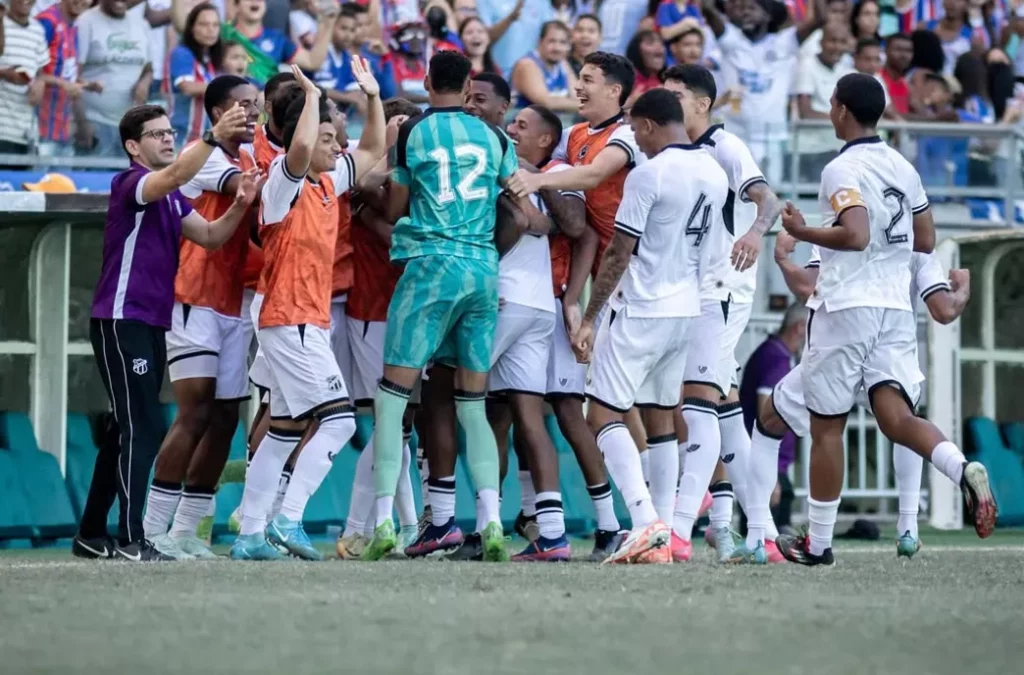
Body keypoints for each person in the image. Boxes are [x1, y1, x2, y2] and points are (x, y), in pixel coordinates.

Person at [775, 72, 996, 566]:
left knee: (826, 424)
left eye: (832, 103)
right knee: (898, 417)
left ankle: (819, 542)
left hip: (848, 305)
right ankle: (962, 469)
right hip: (895, 308)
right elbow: (924, 239)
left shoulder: (841, 168)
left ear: (842, 111)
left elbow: (854, 234)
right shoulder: (903, 165)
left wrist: (800, 228)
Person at [72, 102, 255, 562]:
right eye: (156, 134)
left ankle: (91, 533)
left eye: (170, 131)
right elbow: (174, 177)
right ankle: (135, 538)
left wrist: (240, 204)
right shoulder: (133, 182)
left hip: (151, 321)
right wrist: (212, 138)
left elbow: (211, 236)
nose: (167, 138)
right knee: (144, 425)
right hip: (122, 318)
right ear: (133, 147)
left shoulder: (169, 194)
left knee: (124, 430)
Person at [362, 50, 520, 562]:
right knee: (473, 404)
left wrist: (374, 195)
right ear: (470, 83)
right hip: (481, 270)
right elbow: (516, 205)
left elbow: (395, 206)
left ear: (426, 82)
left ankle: (384, 518)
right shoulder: (496, 137)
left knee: (392, 397)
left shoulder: (413, 133)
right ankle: (492, 521)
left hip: (430, 267)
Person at [231, 59, 386, 561]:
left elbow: (371, 150)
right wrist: (313, 96)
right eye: (327, 139)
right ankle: (288, 519)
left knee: (284, 426)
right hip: (288, 316)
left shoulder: (326, 182)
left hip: (300, 318)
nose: (336, 147)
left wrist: (373, 98)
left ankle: (250, 535)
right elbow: (299, 147)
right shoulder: (284, 180)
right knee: (339, 421)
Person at [570, 87, 729, 565]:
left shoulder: (650, 173)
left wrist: (591, 316)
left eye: (637, 129)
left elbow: (620, 252)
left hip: (642, 307)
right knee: (660, 416)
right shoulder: (714, 170)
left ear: (650, 125)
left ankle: (644, 522)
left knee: (599, 414)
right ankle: (667, 531)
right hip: (686, 308)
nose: (636, 139)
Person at [507, 51, 644, 562]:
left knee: (606, 407)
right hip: (588, 286)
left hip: (631, 280)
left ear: (615, 89)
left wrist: (575, 300)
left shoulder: (624, 137)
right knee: (566, 409)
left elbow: (584, 201)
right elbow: (583, 226)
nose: (578, 87)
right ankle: (598, 523)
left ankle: (660, 516)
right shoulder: (574, 138)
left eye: (587, 81)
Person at [759, 231, 971, 560]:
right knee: (904, 422)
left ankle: (776, 536)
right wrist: (962, 289)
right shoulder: (914, 231)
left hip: (840, 333)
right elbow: (943, 310)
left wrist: (784, 259)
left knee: (812, 426)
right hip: (891, 343)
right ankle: (930, 503)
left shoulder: (841, 223)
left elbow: (806, 287)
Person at [660, 63, 783, 563]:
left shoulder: (726, 147)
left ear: (702, 103)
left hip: (723, 290)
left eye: (677, 95)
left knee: (697, 404)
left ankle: (678, 530)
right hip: (693, 291)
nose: (669, 102)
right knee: (726, 409)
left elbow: (768, 199)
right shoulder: (677, 151)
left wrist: (756, 232)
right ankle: (765, 534)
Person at [141, 75, 261, 561]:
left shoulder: (248, 157)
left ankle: (186, 531)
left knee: (225, 416)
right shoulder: (204, 155)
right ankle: (148, 530)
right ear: (217, 113)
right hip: (194, 298)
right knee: (194, 412)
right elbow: (247, 192)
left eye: (257, 106)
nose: (253, 114)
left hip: (234, 303)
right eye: (243, 106)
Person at [464, 78, 582, 562]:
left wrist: (484, 270)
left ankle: (474, 525)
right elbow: (553, 224)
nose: (513, 128)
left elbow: (525, 223)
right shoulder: (545, 176)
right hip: (538, 307)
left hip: (505, 300)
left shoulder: (499, 161)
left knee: (450, 400)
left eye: (522, 124)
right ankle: (551, 533)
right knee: (524, 417)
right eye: (512, 122)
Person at [334, 96, 424, 560]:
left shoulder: (418, 171)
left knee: (400, 427)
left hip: (407, 311)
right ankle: (356, 529)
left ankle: (406, 527)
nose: (406, 128)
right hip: (373, 311)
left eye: (411, 122)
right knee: (390, 424)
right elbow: (395, 229)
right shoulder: (364, 173)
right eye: (397, 121)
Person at [700, 0, 826, 186]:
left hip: (772, 139)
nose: (745, 13)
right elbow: (707, 9)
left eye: (752, 8)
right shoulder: (730, 40)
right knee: (733, 194)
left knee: (770, 194)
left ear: (768, 15)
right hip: (736, 136)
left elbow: (820, 19)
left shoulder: (786, 42)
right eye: (742, 8)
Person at [737, 300, 807, 539]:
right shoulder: (776, 358)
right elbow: (766, 413)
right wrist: (772, 475)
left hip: (770, 464)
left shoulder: (776, 354)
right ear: (800, 327)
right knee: (770, 536)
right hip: (768, 465)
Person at [76, 0, 153, 157]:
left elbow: (148, 69)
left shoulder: (142, 25)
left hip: (130, 127)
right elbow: (73, 74)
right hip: (94, 123)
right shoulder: (85, 22)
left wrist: (143, 84)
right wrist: (81, 122)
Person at [36, 0, 97, 162]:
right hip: (40, 130)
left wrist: (87, 85)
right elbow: (29, 72)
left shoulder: (74, 25)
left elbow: (67, 75)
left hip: (63, 131)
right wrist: (64, 84)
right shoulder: (47, 21)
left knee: (65, 186)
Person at [795, 22, 854, 182]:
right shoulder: (807, 65)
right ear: (821, 43)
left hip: (840, 149)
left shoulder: (848, 70)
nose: (837, 47)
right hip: (812, 150)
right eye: (832, 41)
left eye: (842, 42)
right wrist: (843, 120)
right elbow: (805, 112)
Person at [230, 0, 334, 81]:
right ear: (236, 5)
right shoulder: (224, 34)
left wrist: (328, 25)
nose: (255, 1)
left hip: (267, 101)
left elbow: (311, 62)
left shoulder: (277, 38)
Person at [168, 3, 223, 146]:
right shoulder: (182, 53)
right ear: (192, 28)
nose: (211, 30)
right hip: (180, 139)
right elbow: (187, 87)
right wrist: (225, 86)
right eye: (204, 24)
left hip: (202, 140)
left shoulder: (210, 60)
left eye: (215, 25)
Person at [0, 0, 48, 162]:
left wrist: (40, 83)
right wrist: (5, 74)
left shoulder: (38, 30)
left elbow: (40, 73)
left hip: (26, 133)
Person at [510, 20, 577, 111]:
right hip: (522, 121)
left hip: (552, 122)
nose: (557, 48)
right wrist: (585, 106)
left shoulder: (562, 64)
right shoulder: (527, 64)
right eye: (552, 41)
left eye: (562, 42)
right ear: (540, 42)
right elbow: (546, 102)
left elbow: (579, 96)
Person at [479, 0, 553, 74]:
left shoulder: (543, 2)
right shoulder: (485, 1)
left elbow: (550, 34)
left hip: (533, 71)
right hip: (498, 72)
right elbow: (485, 37)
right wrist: (511, 18)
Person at [625, 29, 667, 104]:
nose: (658, 46)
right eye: (650, 43)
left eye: (661, 43)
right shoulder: (625, 81)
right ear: (636, 50)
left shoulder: (669, 82)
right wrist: (631, 102)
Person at [880, 32, 914, 116]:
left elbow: (922, 112)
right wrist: (937, 118)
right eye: (898, 49)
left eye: (908, 51)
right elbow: (890, 115)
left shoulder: (906, 84)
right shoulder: (878, 79)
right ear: (886, 50)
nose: (904, 55)